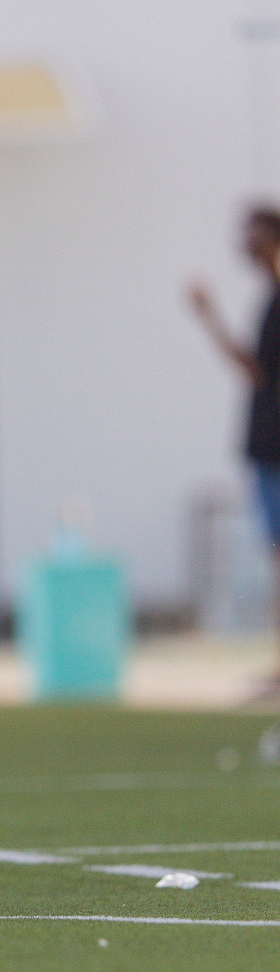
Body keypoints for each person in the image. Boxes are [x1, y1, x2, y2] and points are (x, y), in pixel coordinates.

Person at [190, 205, 280, 697]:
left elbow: (256, 371)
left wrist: (210, 319)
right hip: (267, 450)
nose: (245, 243)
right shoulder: (269, 296)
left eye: (255, 233)